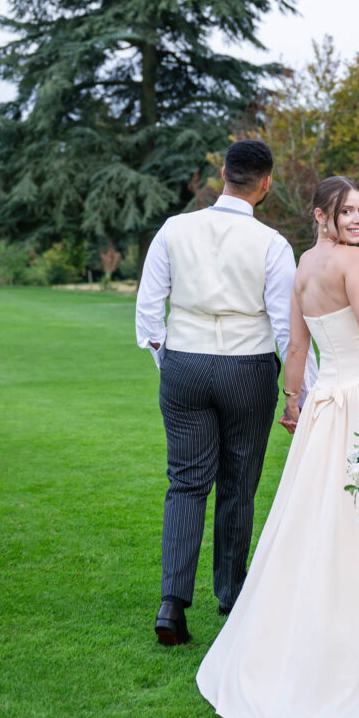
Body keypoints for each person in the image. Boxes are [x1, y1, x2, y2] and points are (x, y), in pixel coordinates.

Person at [196, 176, 359, 718]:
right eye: (347, 212)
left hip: (324, 404)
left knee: (321, 518)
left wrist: (294, 402)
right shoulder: (353, 264)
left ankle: (328, 616)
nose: (358, 220)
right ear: (320, 215)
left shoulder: (302, 270)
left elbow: (295, 346)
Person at [135, 139, 317, 645]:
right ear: (266, 183)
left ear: (221, 173)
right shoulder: (272, 244)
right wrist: (305, 392)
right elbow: (287, 329)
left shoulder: (174, 229)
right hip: (248, 370)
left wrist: (170, 362)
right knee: (238, 485)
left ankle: (172, 605)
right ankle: (232, 596)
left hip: (185, 366)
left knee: (186, 484)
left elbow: (149, 312)